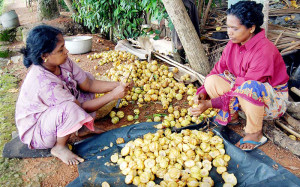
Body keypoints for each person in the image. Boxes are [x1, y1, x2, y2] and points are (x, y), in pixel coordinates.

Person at [15, 25, 131, 165]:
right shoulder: (43, 82)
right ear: (45, 55)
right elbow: (79, 107)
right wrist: (113, 95)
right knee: (70, 109)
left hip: (54, 114)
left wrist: (118, 85)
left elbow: (88, 84)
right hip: (37, 130)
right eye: (61, 49)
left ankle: (80, 128)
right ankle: (59, 147)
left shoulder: (61, 62)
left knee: (86, 81)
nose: (66, 51)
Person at [189, 1, 289, 151]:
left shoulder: (264, 51)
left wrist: (211, 104)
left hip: (273, 101)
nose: (229, 32)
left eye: (235, 28)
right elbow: (217, 70)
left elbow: (247, 86)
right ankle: (233, 115)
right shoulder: (233, 44)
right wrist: (203, 92)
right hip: (241, 90)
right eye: (228, 27)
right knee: (211, 81)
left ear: (251, 28)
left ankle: (255, 133)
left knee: (249, 87)